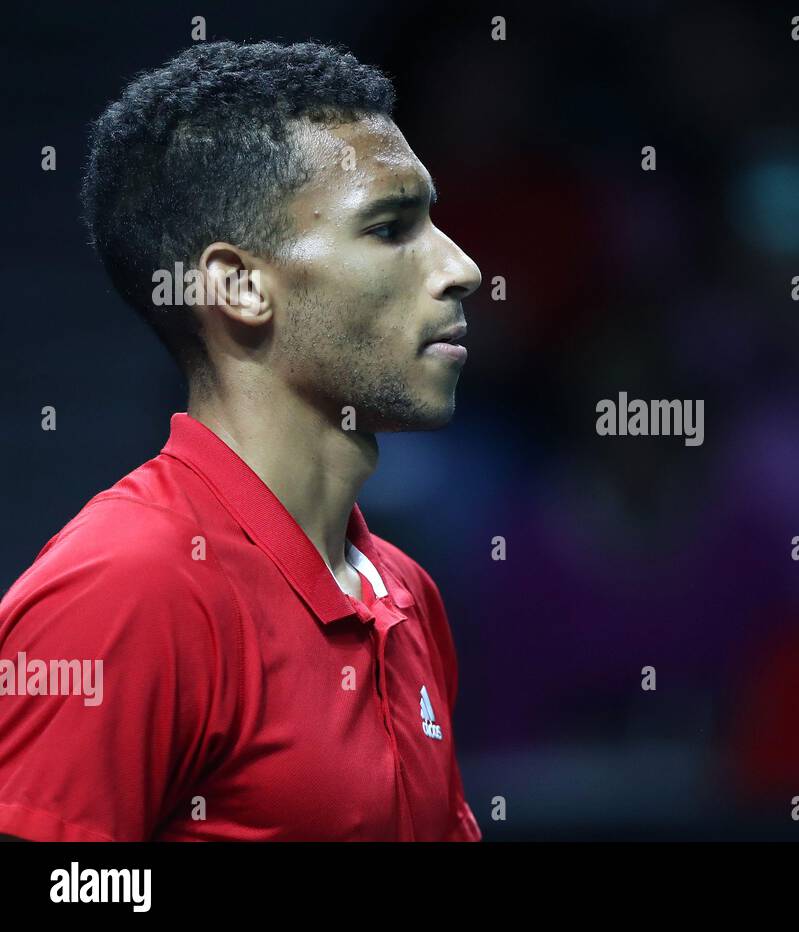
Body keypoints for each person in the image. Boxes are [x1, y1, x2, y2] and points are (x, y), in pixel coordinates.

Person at [0, 40, 483, 841]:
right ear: (239, 286)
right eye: (391, 227)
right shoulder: (125, 588)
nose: (461, 267)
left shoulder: (407, 595)